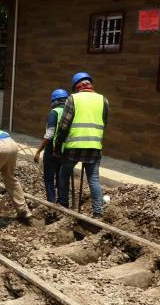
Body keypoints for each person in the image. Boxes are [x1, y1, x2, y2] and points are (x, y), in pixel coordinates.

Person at [55, 72, 109, 218]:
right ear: (90, 84)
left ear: (76, 87)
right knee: (93, 179)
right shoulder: (103, 100)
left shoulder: (73, 98)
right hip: (94, 146)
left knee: (64, 174)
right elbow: (104, 122)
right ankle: (98, 212)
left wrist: (58, 145)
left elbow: (64, 125)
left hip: (74, 145)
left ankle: (64, 205)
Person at [34, 89, 69, 203]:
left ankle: (51, 203)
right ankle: (63, 203)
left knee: (49, 178)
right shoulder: (70, 113)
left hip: (52, 150)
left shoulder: (54, 113)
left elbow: (49, 134)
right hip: (65, 150)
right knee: (61, 177)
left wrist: (38, 151)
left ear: (54, 101)